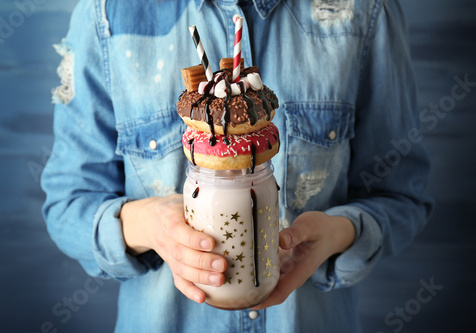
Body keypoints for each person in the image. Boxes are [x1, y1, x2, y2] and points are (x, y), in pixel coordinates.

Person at [42, 0, 433, 332]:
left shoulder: (363, 10)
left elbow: (402, 196)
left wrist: (338, 233)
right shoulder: (109, 14)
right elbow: (67, 203)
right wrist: (147, 224)